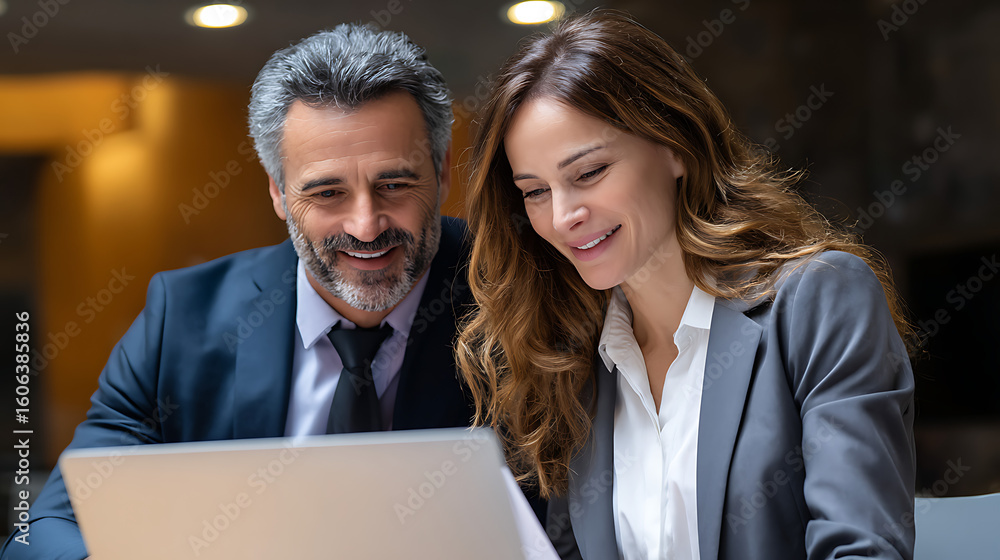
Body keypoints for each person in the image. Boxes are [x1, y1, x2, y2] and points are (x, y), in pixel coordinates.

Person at [2, 24, 475, 560]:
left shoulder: (520, 295)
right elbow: (46, 529)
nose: (366, 226)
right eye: (327, 192)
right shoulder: (181, 316)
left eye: (394, 184)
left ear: (440, 170)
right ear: (277, 191)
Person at [457, 10, 916, 560]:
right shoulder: (571, 363)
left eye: (588, 173)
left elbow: (863, 551)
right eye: (535, 191)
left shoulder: (820, 300)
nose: (563, 216)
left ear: (674, 147)